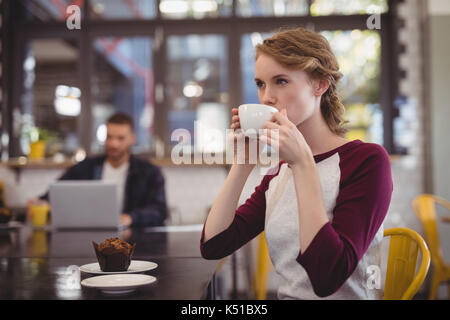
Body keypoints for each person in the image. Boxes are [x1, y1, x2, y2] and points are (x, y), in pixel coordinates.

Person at [200, 28, 393, 299]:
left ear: (320, 84)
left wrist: (303, 164)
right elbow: (214, 246)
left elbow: (327, 278)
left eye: (281, 81)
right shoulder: (279, 172)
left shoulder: (367, 161)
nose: (267, 97)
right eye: (260, 83)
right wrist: (242, 164)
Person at [28, 113, 167, 228]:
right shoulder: (85, 167)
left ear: (132, 139)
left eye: (120, 138)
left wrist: (130, 218)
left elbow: (160, 211)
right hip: (88, 238)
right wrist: (40, 201)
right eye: (109, 137)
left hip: (134, 242)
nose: (113, 143)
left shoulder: (150, 172)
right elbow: (56, 193)